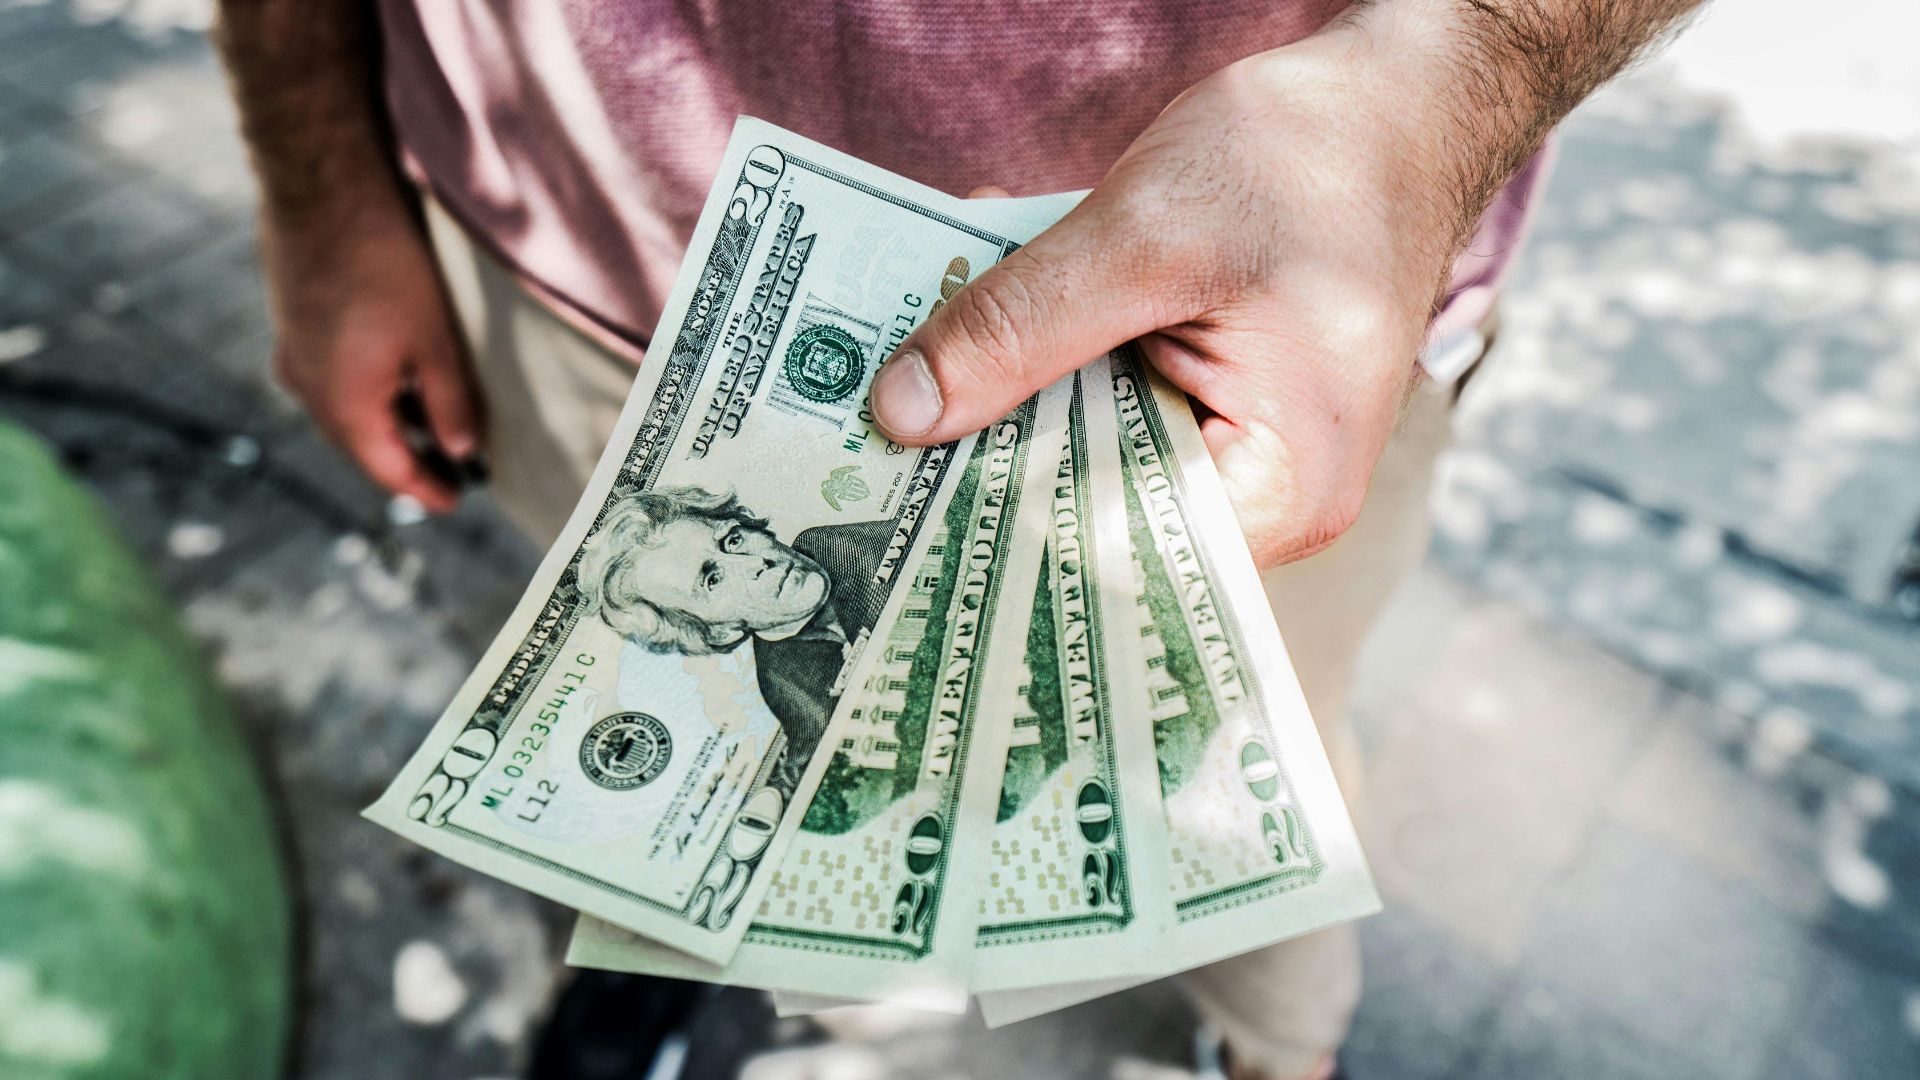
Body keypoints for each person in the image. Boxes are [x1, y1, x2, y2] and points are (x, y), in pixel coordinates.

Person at [214, 2, 1705, 1077]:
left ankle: (1281, 1042)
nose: (739, 566)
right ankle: (666, 979)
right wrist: (326, 186)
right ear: (713, 627)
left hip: (1245, 322)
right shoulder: (751, 655)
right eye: (710, 591)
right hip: (581, 269)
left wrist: (1449, 81)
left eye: (718, 553)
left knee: (1255, 795)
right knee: (656, 802)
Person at [575, 484, 895, 790]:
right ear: (718, 631)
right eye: (713, 580)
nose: (757, 563)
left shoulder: (844, 547)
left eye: (733, 540)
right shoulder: (781, 683)